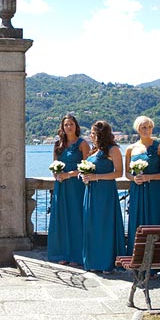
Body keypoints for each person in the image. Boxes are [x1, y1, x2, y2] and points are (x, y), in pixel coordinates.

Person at [80, 120, 126, 274]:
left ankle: (106, 262)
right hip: (91, 192)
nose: (90, 136)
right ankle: (93, 261)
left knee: (105, 226)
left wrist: (96, 177)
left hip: (105, 193)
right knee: (91, 226)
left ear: (101, 134)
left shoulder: (113, 150)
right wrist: (84, 175)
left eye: (93, 133)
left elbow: (119, 173)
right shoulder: (93, 151)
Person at [48, 114, 90, 266]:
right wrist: (56, 174)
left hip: (76, 186)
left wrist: (69, 174)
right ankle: (62, 253)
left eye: (71, 124)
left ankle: (77, 255)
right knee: (61, 218)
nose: (69, 127)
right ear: (62, 127)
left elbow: (87, 168)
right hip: (61, 185)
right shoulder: (58, 144)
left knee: (76, 218)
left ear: (76, 126)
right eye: (66, 125)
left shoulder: (82, 144)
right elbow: (54, 164)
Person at [124, 116, 160, 256]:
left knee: (155, 220)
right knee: (137, 223)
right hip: (137, 190)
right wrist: (134, 178)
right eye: (144, 127)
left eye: (149, 127)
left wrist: (149, 177)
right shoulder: (130, 149)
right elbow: (126, 173)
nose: (147, 130)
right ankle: (137, 258)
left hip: (155, 190)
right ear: (138, 129)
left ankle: (156, 260)